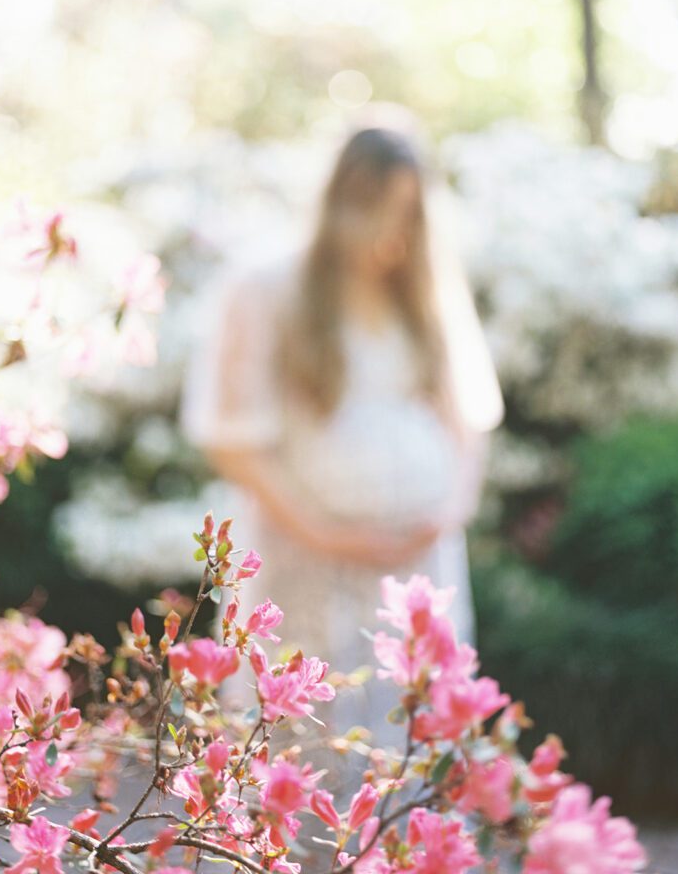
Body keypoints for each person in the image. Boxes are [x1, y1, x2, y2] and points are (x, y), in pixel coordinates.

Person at [180, 112, 504, 748]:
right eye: (375, 209)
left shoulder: (425, 292)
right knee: (304, 735)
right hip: (305, 561)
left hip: (419, 565)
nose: (388, 232)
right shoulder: (267, 288)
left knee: (403, 739)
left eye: (406, 213)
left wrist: (448, 511)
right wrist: (327, 532)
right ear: (337, 202)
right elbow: (232, 438)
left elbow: (467, 418)